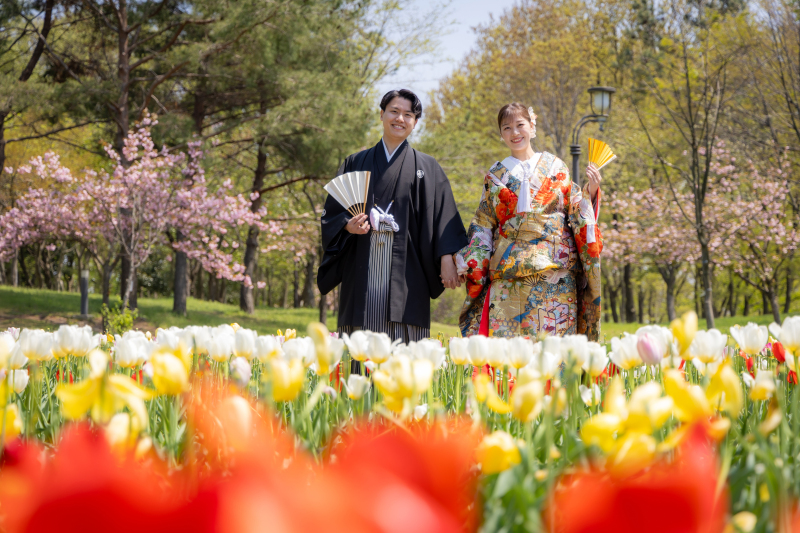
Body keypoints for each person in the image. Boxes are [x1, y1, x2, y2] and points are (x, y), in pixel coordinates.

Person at [317, 89, 467, 343]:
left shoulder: (428, 168)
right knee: (360, 350)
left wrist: (446, 258)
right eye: (394, 111)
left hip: (409, 273)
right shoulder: (355, 162)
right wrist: (347, 226)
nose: (400, 119)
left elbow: (444, 218)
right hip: (362, 265)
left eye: (408, 115)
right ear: (382, 115)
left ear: (415, 122)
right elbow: (333, 214)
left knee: (404, 356)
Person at [455, 103, 603, 341]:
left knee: (554, 353)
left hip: (555, 272)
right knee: (509, 355)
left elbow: (577, 210)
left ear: (532, 127)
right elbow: (483, 223)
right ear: (501, 134)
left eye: (520, 125)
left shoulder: (556, 167)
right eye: (507, 128)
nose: (515, 133)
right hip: (508, 274)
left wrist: (592, 192)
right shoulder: (495, 176)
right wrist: (469, 259)